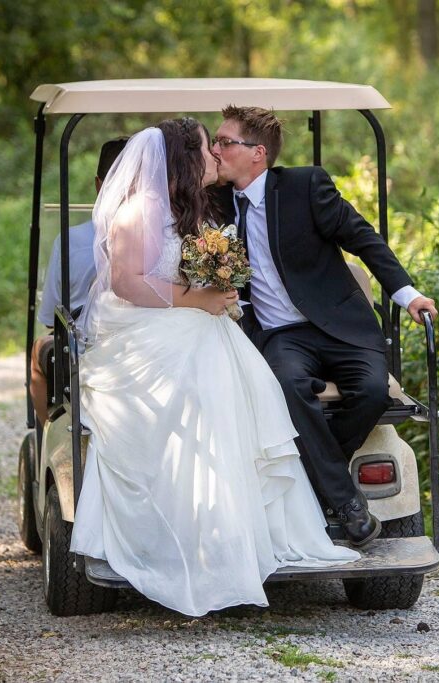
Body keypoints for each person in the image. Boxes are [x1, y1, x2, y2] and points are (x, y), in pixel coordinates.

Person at [69, 118, 359, 618]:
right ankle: (196, 533)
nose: (215, 158)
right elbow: (126, 284)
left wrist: (211, 294)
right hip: (145, 327)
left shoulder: (184, 209)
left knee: (238, 380)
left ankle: (235, 530)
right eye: (207, 150)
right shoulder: (139, 210)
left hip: (186, 319)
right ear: (184, 159)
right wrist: (196, 297)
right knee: (209, 376)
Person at [212, 106, 438, 547]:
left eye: (224, 142)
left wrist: (408, 295)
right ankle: (348, 505)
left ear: (257, 153)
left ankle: (318, 484)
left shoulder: (304, 186)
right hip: (281, 335)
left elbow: (363, 238)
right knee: (286, 385)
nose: (215, 149)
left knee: (373, 392)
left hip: (340, 326)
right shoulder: (216, 202)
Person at [29, 137, 127, 426]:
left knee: (39, 348)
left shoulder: (71, 241)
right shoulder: (161, 236)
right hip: (143, 337)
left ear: (99, 184)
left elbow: (50, 317)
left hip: (87, 345)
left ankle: (51, 428)